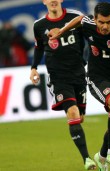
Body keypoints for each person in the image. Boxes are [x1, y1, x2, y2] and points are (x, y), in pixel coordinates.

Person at [48, 2, 110, 170]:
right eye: (101, 22)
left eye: (109, 22)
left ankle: (101, 156)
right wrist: (62, 31)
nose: (105, 26)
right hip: (97, 77)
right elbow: (80, 19)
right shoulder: (89, 23)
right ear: (95, 19)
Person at [29, 0, 96, 170]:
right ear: (44, 1)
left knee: (79, 117)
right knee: (72, 113)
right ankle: (87, 160)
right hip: (58, 77)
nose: (52, 0)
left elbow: (89, 35)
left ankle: (95, 156)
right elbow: (38, 47)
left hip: (79, 74)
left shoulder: (75, 17)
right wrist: (34, 68)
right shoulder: (39, 25)